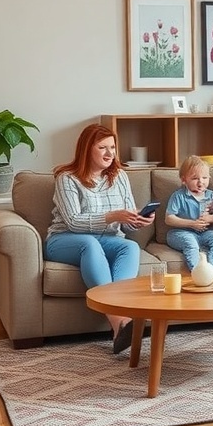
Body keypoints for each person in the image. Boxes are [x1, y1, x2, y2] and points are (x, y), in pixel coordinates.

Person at [44, 123, 156, 355]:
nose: (110, 153)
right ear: (87, 149)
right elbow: (74, 221)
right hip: (65, 239)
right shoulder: (67, 178)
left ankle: (120, 328)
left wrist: (136, 220)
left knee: (130, 246)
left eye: (113, 147)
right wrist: (114, 215)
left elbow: (125, 224)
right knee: (90, 243)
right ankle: (120, 320)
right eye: (102, 147)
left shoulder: (120, 176)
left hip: (107, 239)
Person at [165, 155, 213, 272]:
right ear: (184, 180)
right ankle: (197, 272)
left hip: (204, 233)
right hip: (181, 233)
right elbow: (169, 219)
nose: (200, 182)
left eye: (204, 178)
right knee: (191, 243)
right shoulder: (179, 196)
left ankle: (210, 270)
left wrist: (209, 218)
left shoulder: (211, 195)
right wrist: (192, 224)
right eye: (195, 178)